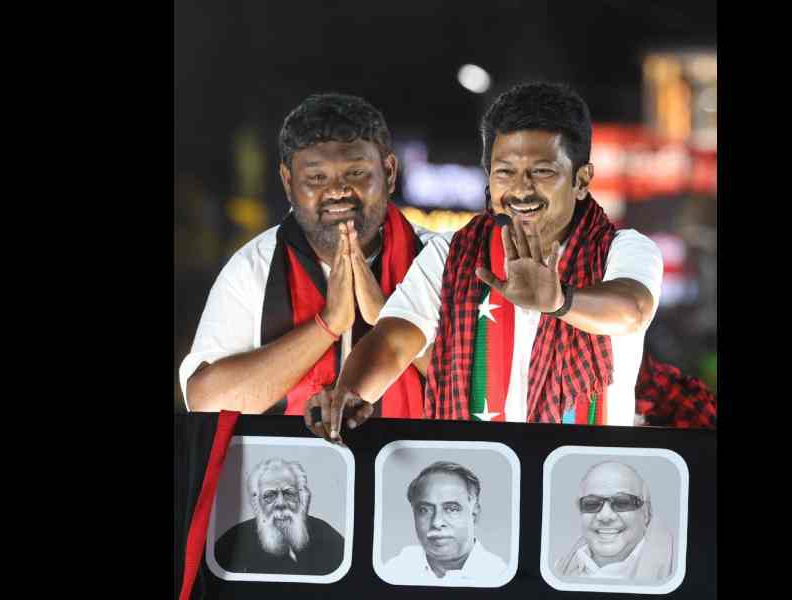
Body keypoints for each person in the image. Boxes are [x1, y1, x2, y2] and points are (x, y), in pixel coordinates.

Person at [306, 82, 663, 441]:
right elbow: (394, 341)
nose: (521, 190)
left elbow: (632, 310)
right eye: (505, 172)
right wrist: (351, 393)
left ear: (582, 180)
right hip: (473, 481)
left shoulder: (624, 248)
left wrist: (561, 301)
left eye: (542, 172)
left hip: (582, 482)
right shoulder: (450, 255)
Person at [179, 93, 435, 417]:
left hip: (416, 467)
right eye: (316, 177)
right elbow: (205, 401)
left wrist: (390, 320)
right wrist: (327, 324)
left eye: (356, 173)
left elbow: (485, 396)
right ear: (288, 182)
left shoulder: (438, 258)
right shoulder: (254, 266)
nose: (338, 190)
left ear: (389, 171)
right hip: (287, 467)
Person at [382, 461, 507, 584]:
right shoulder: (395, 571)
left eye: (451, 509)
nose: (436, 522)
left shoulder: (500, 576)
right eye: (424, 510)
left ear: (474, 512)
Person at [214, 458, 344, 575]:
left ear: (302, 497)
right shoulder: (233, 540)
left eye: (289, 493)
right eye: (270, 495)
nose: (281, 503)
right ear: (256, 501)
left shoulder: (327, 536)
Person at [554, 461, 673, 581]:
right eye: (591, 503)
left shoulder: (673, 572)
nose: (605, 516)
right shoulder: (558, 570)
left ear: (646, 513)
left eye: (622, 502)